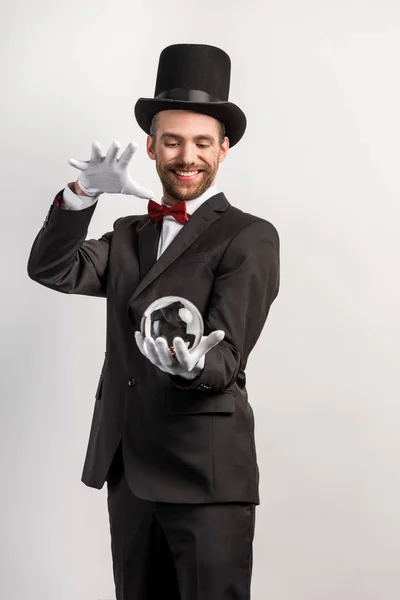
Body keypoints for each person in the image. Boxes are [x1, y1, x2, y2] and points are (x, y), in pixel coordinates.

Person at [27, 43, 280, 600]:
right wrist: (82, 193)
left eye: (201, 143)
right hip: (131, 466)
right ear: (151, 146)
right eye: (172, 141)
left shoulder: (248, 235)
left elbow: (227, 355)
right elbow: (51, 269)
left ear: (223, 149)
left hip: (205, 474)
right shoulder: (128, 235)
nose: (186, 156)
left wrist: (194, 364)